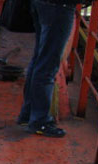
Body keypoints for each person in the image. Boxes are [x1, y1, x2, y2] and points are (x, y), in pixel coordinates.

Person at [17, 0, 78, 138]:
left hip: (43, 5)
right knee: (47, 64)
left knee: (40, 58)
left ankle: (28, 114)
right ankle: (39, 121)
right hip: (58, 6)